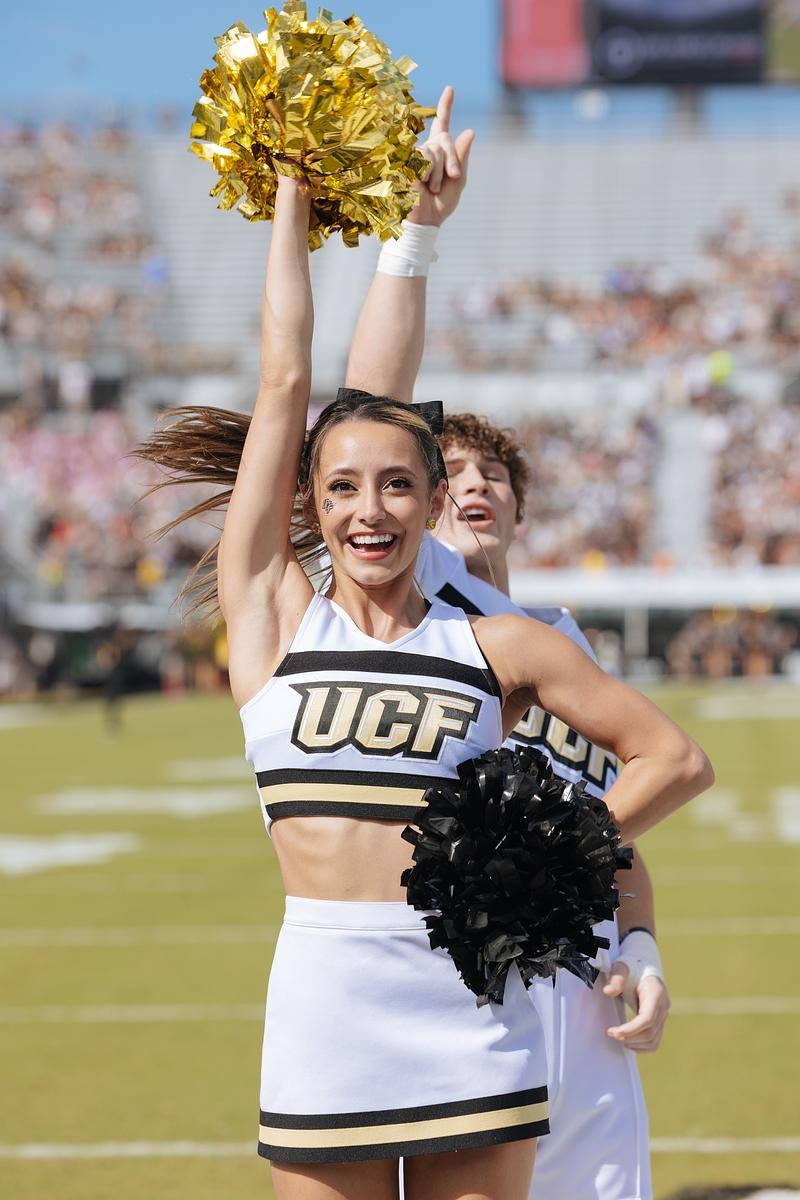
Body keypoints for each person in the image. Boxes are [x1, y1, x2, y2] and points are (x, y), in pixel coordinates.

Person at [136, 151, 712, 1200]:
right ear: (309, 504)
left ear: (426, 499)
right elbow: (289, 382)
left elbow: (669, 759)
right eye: (345, 486)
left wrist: (551, 864)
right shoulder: (272, 621)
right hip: (324, 1015)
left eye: (401, 484)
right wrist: (291, 204)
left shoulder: (506, 643)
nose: (372, 508)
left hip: (474, 1015)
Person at [344, 87, 669, 1199]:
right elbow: (364, 401)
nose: (474, 485)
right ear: (423, 510)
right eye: (455, 476)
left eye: (495, 478)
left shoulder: (564, 643)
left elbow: (621, 827)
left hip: (579, 994)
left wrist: (639, 948)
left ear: (519, 513)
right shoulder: (421, 599)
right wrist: (415, 234)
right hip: (457, 979)